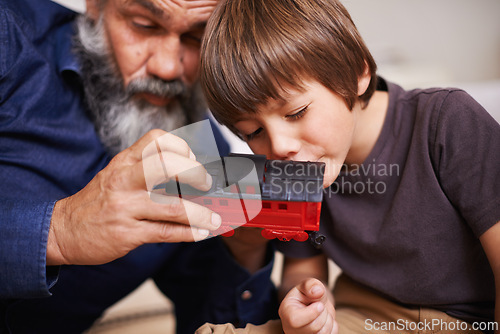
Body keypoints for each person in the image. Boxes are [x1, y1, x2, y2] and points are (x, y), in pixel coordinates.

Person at [199, 0, 500, 333]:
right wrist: (306, 303)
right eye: (253, 133)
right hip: (357, 316)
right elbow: (302, 270)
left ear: (358, 73)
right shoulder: (294, 168)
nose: (279, 147)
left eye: (296, 112)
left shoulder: (447, 120)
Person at [0, 0, 278, 332]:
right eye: (144, 25)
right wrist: (61, 231)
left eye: (196, 37)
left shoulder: (198, 150)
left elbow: (209, 317)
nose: (168, 68)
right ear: (94, 6)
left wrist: (245, 252)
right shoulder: (8, 37)